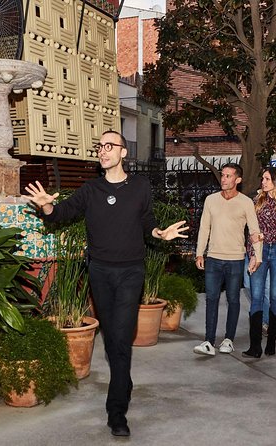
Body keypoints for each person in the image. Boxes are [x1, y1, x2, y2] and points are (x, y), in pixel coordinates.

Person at [24, 130, 188, 436]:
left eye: (109, 146)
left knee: (122, 337)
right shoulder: (91, 190)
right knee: (112, 338)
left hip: (130, 273)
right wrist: (47, 206)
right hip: (99, 272)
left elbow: (147, 221)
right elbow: (62, 213)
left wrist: (159, 234)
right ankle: (123, 380)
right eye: (100, 146)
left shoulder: (140, 186)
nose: (103, 151)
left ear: (123, 153)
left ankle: (116, 413)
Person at [194, 163, 263, 356]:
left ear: (237, 180)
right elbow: (204, 228)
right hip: (214, 258)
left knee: (233, 299)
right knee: (211, 299)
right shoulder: (211, 200)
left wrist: (258, 256)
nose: (223, 179)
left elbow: (254, 231)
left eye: (228, 176)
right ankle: (208, 341)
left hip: (235, 259)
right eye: (222, 175)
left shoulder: (246, 202)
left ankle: (228, 339)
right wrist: (200, 253)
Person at [242, 167, 276, 358]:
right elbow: (251, 232)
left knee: (275, 295)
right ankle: (255, 346)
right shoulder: (257, 201)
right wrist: (252, 255)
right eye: (262, 178)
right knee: (256, 296)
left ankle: (271, 341)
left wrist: (264, 235)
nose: (263, 182)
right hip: (259, 252)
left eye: (266, 178)